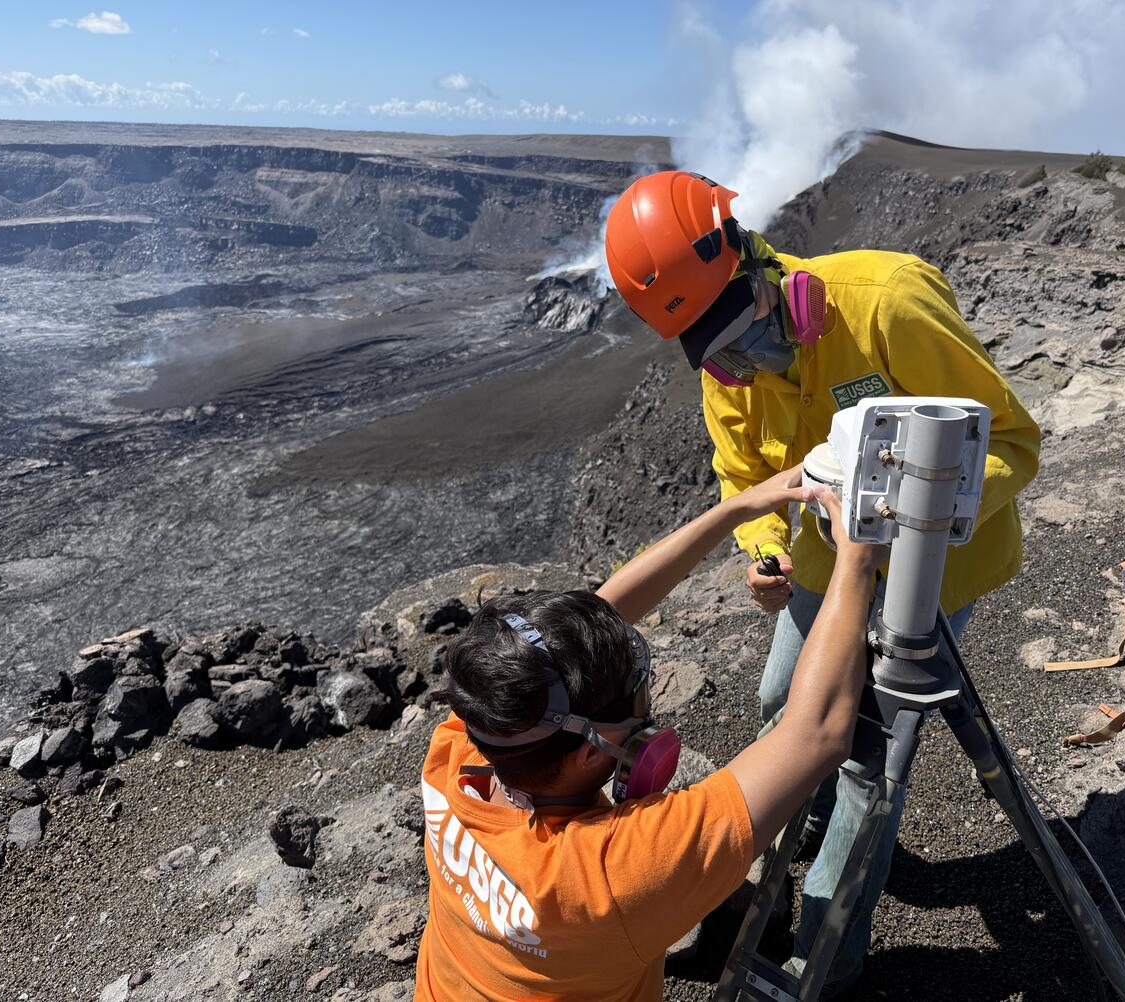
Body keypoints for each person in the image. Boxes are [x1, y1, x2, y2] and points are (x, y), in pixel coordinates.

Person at [603, 169, 1042, 991]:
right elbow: (742, 474)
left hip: (931, 575)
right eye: (715, 351)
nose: (739, 361)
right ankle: (811, 831)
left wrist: (909, 525)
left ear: (759, 270)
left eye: (740, 330)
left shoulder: (886, 302)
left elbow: (1014, 441)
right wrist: (764, 551)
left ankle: (823, 960)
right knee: (781, 702)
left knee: (864, 751)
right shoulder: (725, 369)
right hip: (821, 565)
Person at [412, 467, 886, 1001]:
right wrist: (858, 560)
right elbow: (818, 732)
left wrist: (734, 510)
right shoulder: (611, 870)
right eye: (637, 687)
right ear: (591, 750)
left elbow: (600, 617)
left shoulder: (464, 745)